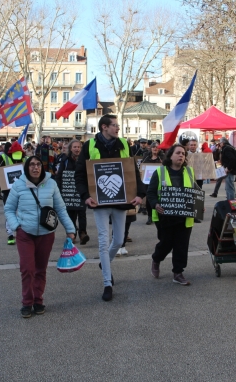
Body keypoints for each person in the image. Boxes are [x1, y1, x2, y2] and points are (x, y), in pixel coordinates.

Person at [75, 114, 145, 302]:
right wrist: (86, 197)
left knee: (119, 240)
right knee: (103, 241)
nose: (118, 128)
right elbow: (80, 174)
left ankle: (104, 264)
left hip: (121, 201)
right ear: (104, 127)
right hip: (99, 203)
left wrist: (139, 194)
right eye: (114, 125)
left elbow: (132, 172)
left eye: (117, 125)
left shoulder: (123, 144)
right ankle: (107, 283)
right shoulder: (89, 146)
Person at [4, 155, 76, 318]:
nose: (35, 167)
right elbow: (9, 208)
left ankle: (38, 300)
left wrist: (70, 229)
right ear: (27, 167)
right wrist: (16, 226)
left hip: (46, 233)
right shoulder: (19, 185)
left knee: (40, 270)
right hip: (25, 234)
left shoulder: (51, 184)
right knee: (27, 269)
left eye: (38, 165)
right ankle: (27, 303)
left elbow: (61, 208)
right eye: (32, 165)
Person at [147, 144, 196, 286]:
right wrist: (156, 204)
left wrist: (198, 205)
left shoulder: (189, 172)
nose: (181, 155)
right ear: (170, 155)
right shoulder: (160, 172)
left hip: (184, 216)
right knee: (166, 244)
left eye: (183, 153)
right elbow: (150, 193)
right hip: (165, 216)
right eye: (178, 153)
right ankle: (156, 259)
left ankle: (178, 272)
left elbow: (195, 193)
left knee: (181, 245)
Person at [55, 139, 90, 245]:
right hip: (68, 191)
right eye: (75, 147)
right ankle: (72, 233)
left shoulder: (85, 159)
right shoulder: (65, 160)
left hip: (81, 191)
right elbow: (59, 176)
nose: (77, 149)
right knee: (71, 214)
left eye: (79, 147)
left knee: (82, 213)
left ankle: (83, 233)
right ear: (70, 148)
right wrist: (59, 190)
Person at [0, 141, 25, 245]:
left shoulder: (25, 159)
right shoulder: (5, 158)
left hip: (16, 191)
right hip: (13, 192)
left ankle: (14, 234)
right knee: (14, 212)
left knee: (14, 213)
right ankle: (13, 234)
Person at [142, 142, 163, 225]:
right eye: (153, 147)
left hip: (160, 180)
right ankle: (150, 216)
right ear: (150, 148)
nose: (155, 148)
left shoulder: (162, 157)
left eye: (157, 147)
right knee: (149, 199)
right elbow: (142, 166)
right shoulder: (146, 156)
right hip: (148, 181)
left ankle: (160, 215)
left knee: (159, 197)